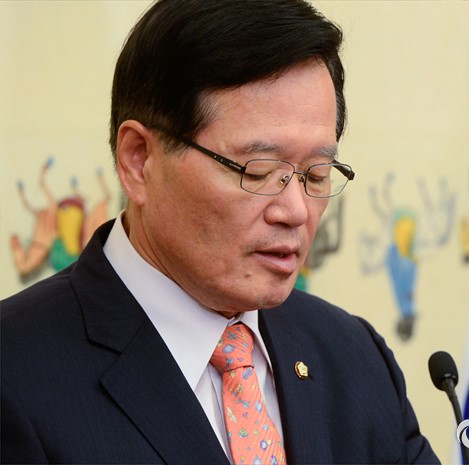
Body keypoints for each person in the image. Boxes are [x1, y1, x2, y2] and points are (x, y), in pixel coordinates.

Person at [1, 1, 440, 464]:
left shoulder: (354, 357)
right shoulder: (15, 376)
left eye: (316, 174)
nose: (295, 211)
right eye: (259, 170)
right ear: (139, 159)